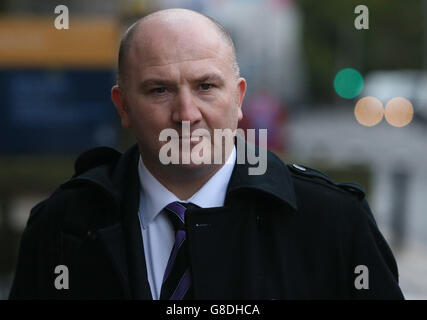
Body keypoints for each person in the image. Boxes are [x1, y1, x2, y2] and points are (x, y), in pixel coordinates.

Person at [9, 8, 404, 300]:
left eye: (206, 87)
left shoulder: (333, 223)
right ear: (123, 106)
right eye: (159, 90)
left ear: (238, 99)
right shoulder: (61, 227)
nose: (186, 114)